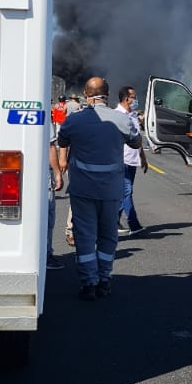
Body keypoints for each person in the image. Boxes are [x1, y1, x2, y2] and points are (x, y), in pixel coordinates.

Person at [56, 77, 140, 301]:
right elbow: (136, 143)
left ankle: (89, 284)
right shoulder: (121, 120)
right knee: (108, 236)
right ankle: (105, 280)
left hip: (83, 191)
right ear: (108, 95)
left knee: (84, 237)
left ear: (85, 94)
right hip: (111, 191)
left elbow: (62, 141)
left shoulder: (74, 121)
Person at [116, 86, 144, 235]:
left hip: (133, 160)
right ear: (127, 99)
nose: (136, 100)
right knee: (127, 191)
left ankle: (113, 221)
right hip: (122, 159)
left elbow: (137, 138)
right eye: (134, 97)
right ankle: (134, 225)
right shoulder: (117, 115)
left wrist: (143, 158)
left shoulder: (133, 115)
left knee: (123, 192)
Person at [46, 123, 65, 271]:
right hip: (40, 170)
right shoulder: (44, 114)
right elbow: (51, 147)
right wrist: (58, 173)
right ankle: (46, 254)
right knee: (47, 215)